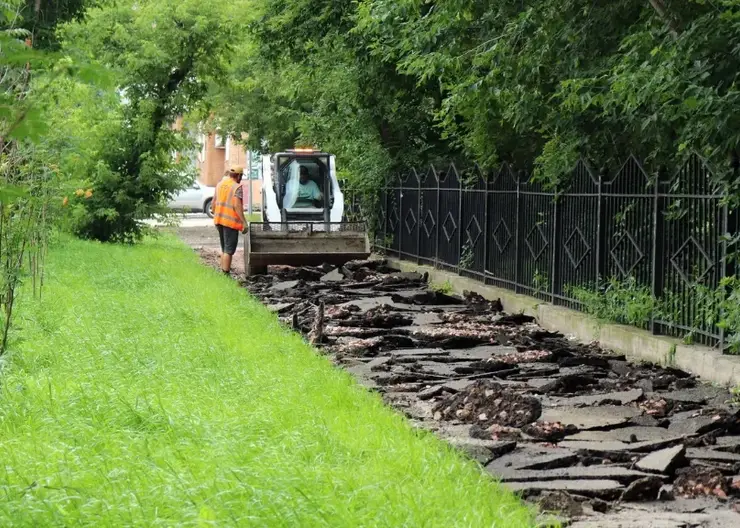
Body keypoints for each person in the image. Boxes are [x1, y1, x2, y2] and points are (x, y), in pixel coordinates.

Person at [213, 166, 248, 275]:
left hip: (219, 220)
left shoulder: (220, 184)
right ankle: (226, 274)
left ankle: (223, 272)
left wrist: (216, 215)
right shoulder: (236, 187)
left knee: (224, 248)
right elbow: (237, 205)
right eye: (241, 176)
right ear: (238, 175)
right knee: (229, 250)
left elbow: (213, 203)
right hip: (230, 222)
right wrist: (244, 222)